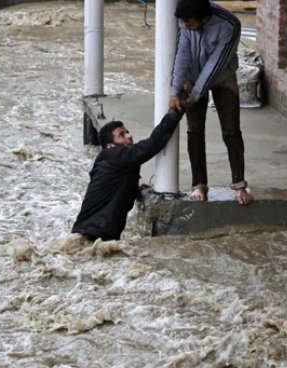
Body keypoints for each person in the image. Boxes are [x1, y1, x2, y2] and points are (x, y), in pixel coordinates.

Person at [169, 0, 253, 205]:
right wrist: (175, 90)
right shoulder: (185, 20)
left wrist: (196, 94)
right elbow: (182, 53)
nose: (186, 28)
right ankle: (199, 185)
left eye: (190, 25)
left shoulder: (230, 25)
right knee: (194, 130)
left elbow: (215, 65)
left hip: (223, 75)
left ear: (204, 19)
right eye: (184, 25)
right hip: (192, 75)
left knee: (231, 130)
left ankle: (239, 185)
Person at [72, 108, 184, 241]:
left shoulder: (112, 162)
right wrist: (176, 111)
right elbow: (153, 144)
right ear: (111, 146)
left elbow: (112, 191)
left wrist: (135, 190)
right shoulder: (115, 156)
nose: (129, 136)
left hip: (92, 237)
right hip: (94, 236)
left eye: (127, 132)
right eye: (122, 135)